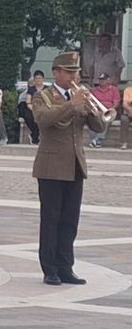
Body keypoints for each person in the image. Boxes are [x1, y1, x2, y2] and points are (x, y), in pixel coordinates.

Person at [32, 52, 106, 286]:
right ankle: (49, 268)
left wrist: (92, 109)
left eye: (76, 72)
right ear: (57, 72)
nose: (74, 76)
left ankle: (66, 266)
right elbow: (43, 120)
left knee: (70, 220)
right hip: (51, 165)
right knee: (51, 218)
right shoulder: (44, 95)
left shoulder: (79, 95)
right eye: (69, 71)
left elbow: (99, 125)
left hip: (75, 164)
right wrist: (70, 105)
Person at [88, 73, 120, 148]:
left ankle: (96, 139)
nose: (101, 81)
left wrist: (111, 109)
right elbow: (91, 101)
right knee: (91, 118)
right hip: (98, 110)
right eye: (100, 80)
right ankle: (96, 140)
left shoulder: (114, 89)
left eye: (103, 80)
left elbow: (116, 102)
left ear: (108, 80)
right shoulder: (94, 90)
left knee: (107, 118)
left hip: (110, 110)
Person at [18, 70, 45, 145]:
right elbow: (28, 101)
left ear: (43, 79)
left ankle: (40, 136)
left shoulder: (48, 89)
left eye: (40, 78)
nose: (38, 80)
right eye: (36, 78)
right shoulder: (31, 89)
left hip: (45, 108)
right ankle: (35, 135)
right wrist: (34, 109)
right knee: (29, 116)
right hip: (32, 107)